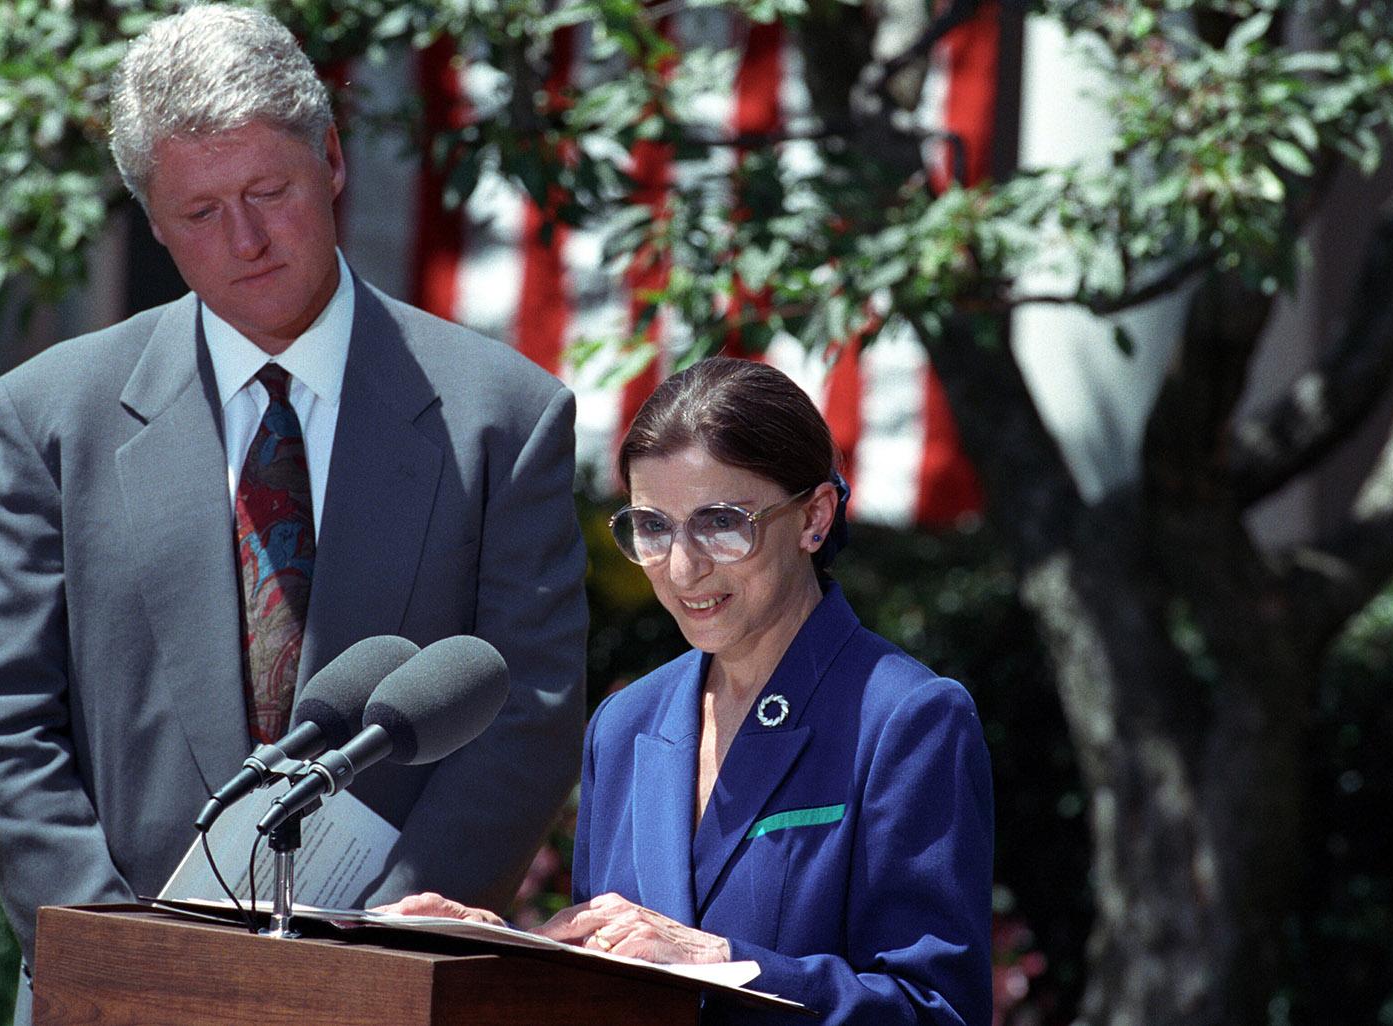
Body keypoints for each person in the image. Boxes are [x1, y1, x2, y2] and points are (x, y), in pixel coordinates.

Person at [0, 7, 587, 1023]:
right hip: (115, 994)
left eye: (268, 191)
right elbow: (3, 717)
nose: (244, 239)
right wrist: (124, 958)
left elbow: (529, 708)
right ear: (152, 223)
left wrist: (373, 957)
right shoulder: (50, 414)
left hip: (391, 984)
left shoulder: (503, 416)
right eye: (199, 213)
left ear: (331, 160)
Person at [382, 357, 996, 1025]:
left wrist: (724, 961)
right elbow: (623, 976)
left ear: (815, 518)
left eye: (721, 523)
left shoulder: (908, 718)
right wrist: (492, 949)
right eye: (652, 527)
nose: (682, 567)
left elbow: (937, 1011)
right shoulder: (626, 723)